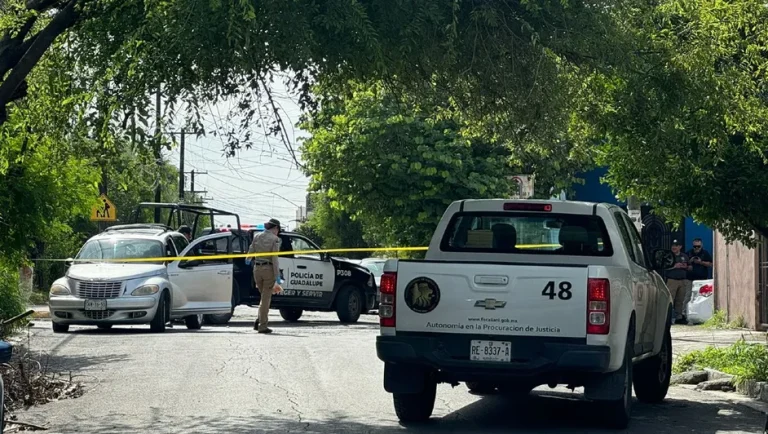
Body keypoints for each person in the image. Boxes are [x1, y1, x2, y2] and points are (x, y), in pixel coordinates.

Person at [247, 218, 283, 334]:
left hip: (257, 269)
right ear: (276, 228)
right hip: (268, 270)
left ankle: (259, 321)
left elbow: (251, 249)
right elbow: (275, 258)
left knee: (263, 298)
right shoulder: (275, 239)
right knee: (266, 299)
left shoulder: (257, 236)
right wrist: (277, 275)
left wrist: (247, 259)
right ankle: (262, 326)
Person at [684, 238, 713, 323]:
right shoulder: (688, 253)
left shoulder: (705, 253)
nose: (696, 248)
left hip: (702, 280)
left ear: (701, 245)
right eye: (695, 246)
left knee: (703, 298)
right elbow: (684, 264)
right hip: (690, 279)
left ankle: (702, 315)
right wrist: (690, 262)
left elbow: (711, 264)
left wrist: (701, 262)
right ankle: (685, 315)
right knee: (688, 297)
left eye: (698, 246)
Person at [666, 240, 691, 324]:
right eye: (673, 245)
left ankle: (679, 317)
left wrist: (686, 267)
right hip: (672, 280)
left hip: (682, 280)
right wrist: (674, 266)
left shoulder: (684, 256)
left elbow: (689, 267)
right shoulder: (668, 256)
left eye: (676, 245)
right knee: (670, 299)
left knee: (680, 300)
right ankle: (667, 317)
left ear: (680, 247)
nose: (674, 247)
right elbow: (664, 268)